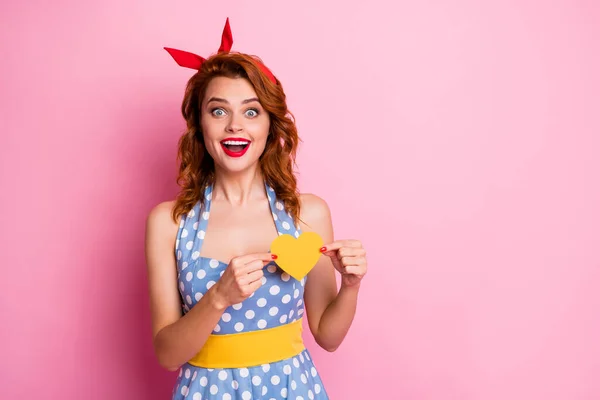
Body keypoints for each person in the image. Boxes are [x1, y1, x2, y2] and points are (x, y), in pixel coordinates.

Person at [145, 18, 368, 400]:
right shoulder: (169, 222)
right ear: (200, 124)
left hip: (291, 389)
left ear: (270, 125)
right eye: (218, 111)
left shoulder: (307, 214)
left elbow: (327, 337)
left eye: (251, 112)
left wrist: (350, 285)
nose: (235, 126)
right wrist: (218, 297)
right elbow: (167, 355)